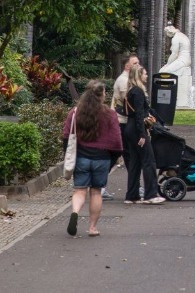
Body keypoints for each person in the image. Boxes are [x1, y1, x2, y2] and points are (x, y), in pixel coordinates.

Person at [61, 80, 122, 237]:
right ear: (102, 95)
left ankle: (75, 212)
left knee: (79, 191)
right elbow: (116, 142)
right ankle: (92, 228)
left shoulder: (75, 113)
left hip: (81, 157)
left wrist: (68, 156)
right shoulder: (110, 114)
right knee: (96, 192)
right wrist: (112, 161)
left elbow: (66, 136)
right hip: (102, 159)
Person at [123, 64, 165, 205]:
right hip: (137, 129)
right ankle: (150, 194)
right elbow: (140, 113)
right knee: (148, 160)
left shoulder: (130, 91)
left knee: (135, 162)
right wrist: (142, 134)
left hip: (129, 128)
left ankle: (132, 195)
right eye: (145, 74)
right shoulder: (138, 92)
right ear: (139, 76)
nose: (146, 76)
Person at [105, 53, 138, 201]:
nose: (138, 65)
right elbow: (129, 102)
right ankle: (134, 187)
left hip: (123, 122)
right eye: (135, 63)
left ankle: (99, 186)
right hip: (121, 123)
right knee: (125, 154)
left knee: (122, 155)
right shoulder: (124, 81)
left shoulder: (127, 79)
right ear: (127, 66)